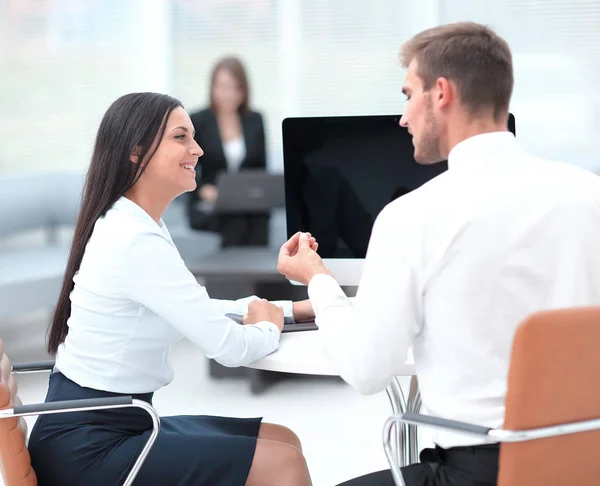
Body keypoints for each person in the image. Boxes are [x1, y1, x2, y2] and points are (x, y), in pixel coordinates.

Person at [277, 22, 600, 486]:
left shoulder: (412, 217)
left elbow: (366, 371)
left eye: (409, 94)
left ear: (441, 93)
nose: (404, 117)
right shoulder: (588, 193)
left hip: (480, 472)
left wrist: (318, 279)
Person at [28, 92, 317, 486]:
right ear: (136, 152)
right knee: (281, 465)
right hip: (89, 448)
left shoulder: (137, 224)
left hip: (113, 425)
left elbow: (190, 307)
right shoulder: (134, 239)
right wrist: (267, 327)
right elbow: (230, 348)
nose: (197, 149)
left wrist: (288, 310)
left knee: (286, 442)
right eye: (181, 137)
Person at [188, 56, 270, 247]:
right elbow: (187, 165)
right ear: (213, 88)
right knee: (235, 220)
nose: (229, 94)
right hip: (210, 202)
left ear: (244, 91)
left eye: (236, 88)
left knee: (259, 217)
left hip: (247, 202)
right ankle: (236, 276)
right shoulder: (198, 121)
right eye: (223, 87)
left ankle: (259, 275)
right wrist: (202, 190)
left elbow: (261, 170)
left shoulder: (255, 120)